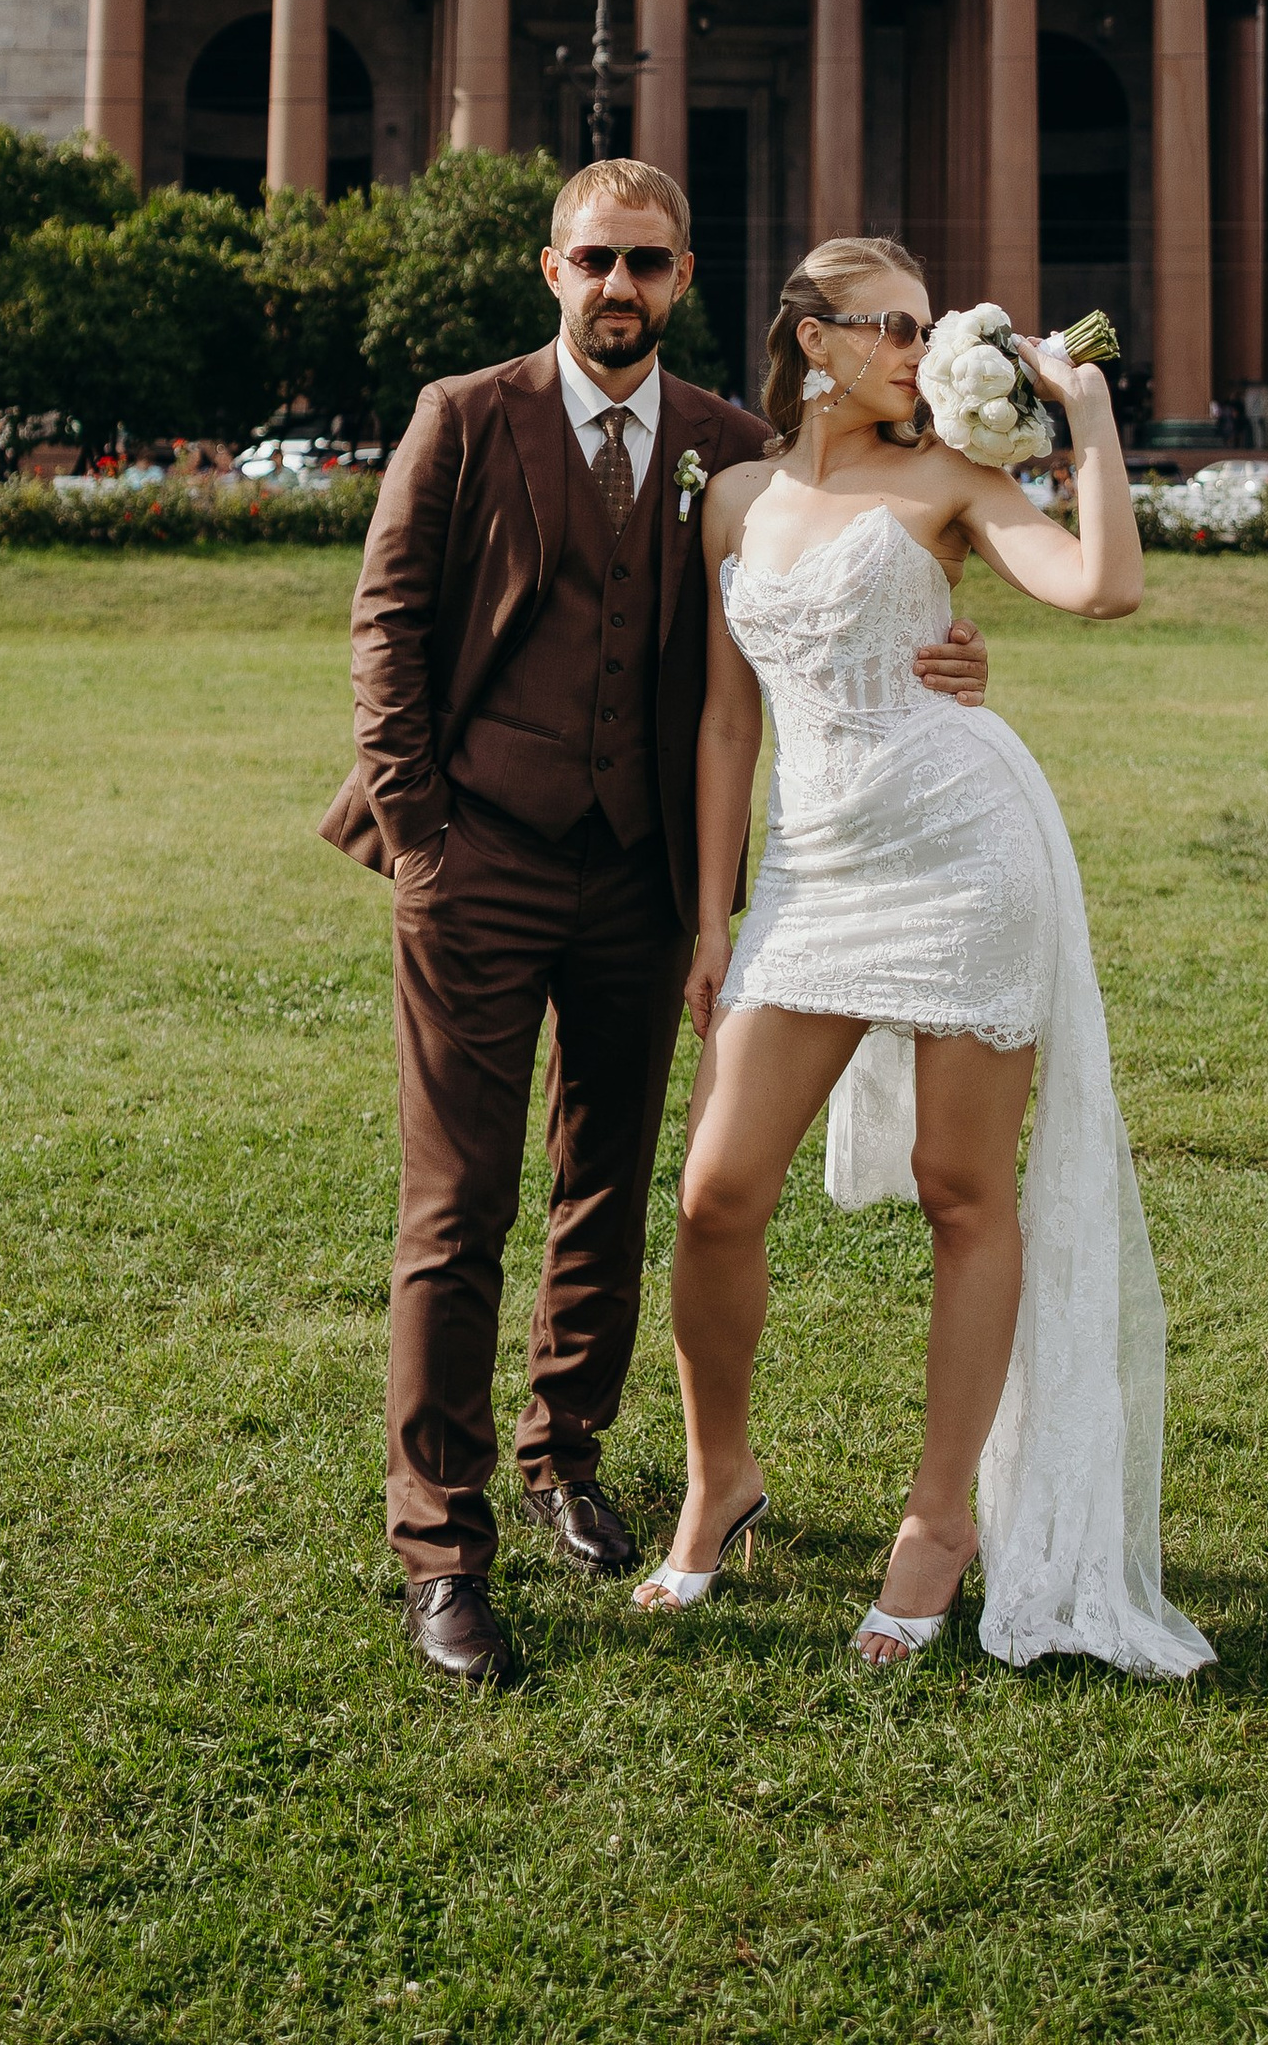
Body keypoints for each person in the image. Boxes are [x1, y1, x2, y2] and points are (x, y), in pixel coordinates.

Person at [329, 160, 994, 1694]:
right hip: (479, 860)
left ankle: (566, 1454)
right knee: (456, 1208)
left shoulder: (728, 446)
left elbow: (822, 608)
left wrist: (953, 658)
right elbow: (387, 624)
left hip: (641, 881)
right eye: (595, 260)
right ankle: (442, 1547)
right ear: (551, 269)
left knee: (613, 1187)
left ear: (684, 279)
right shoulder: (463, 416)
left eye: (646, 263)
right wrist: (423, 841)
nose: (618, 287)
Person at [632, 236, 1214, 1682]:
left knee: (963, 1191)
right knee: (714, 1193)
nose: (918, 347)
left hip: (962, 853)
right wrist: (714, 917)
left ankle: (939, 1522)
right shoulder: (735, 500)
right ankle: (718, 1478)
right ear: (813, 340)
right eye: (889, 326)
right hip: (813, 877)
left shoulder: (955, 477)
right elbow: (727, 721)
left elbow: (1101, 588)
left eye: (924, 325)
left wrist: (1085, 413)